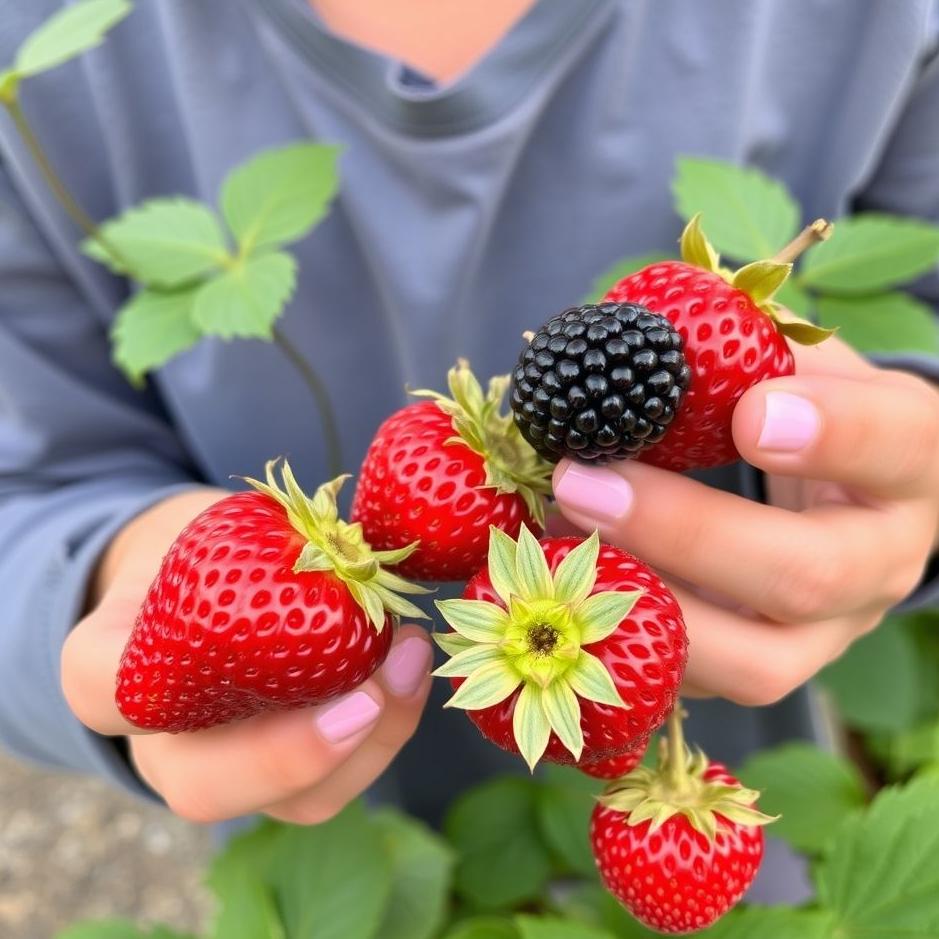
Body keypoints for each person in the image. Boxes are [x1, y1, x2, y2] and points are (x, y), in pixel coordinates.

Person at [1, 0, 938, 903]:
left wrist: (903, 487)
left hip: (711, 750)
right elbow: (26, 490)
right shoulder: (38, 53)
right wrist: (98, 582)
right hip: (311, 822)